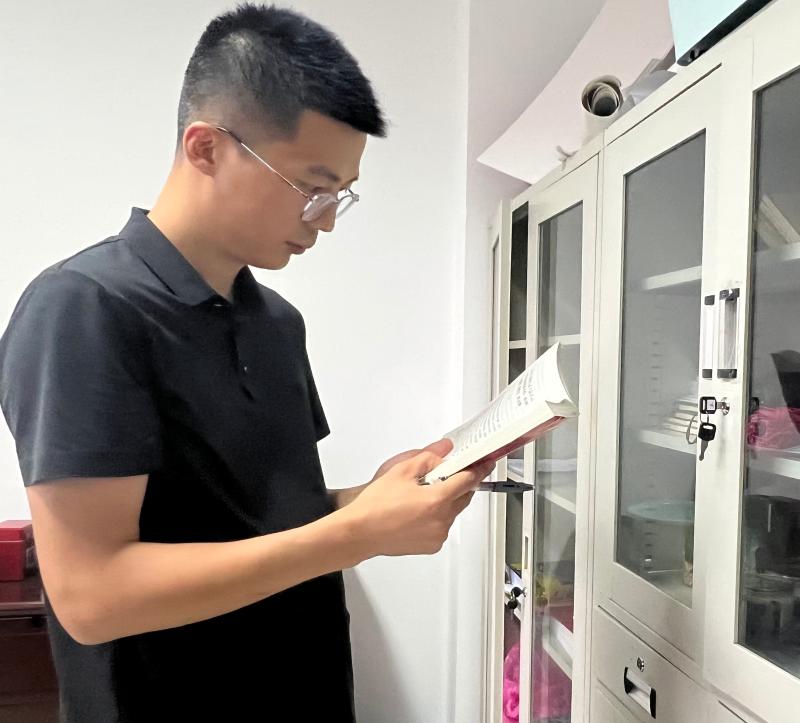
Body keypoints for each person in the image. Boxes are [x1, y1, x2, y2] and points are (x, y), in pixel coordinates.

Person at [0, 4, 491, 721]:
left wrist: (373, 501)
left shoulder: (277, 323)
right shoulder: (83, 308)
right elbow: (92, 596)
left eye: (340, 194)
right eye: (312, 187)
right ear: (206, 148)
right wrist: (356, 533)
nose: (326, 218)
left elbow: (263, 520)